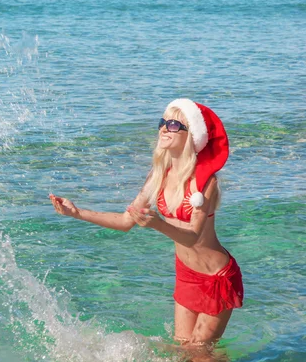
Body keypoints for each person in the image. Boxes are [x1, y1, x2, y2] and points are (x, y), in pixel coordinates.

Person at [49, 99, 243, 345]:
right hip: (186, 274)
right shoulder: (158, 175)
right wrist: (76, 212)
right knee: (183, 349)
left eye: (173, 125)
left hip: (215, 276)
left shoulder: (205, 182)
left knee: (200, 353)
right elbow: (124, 221)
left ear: (191, 135)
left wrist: (158, 224)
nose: (164, 128)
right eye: (163, 122)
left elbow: (193, 236)